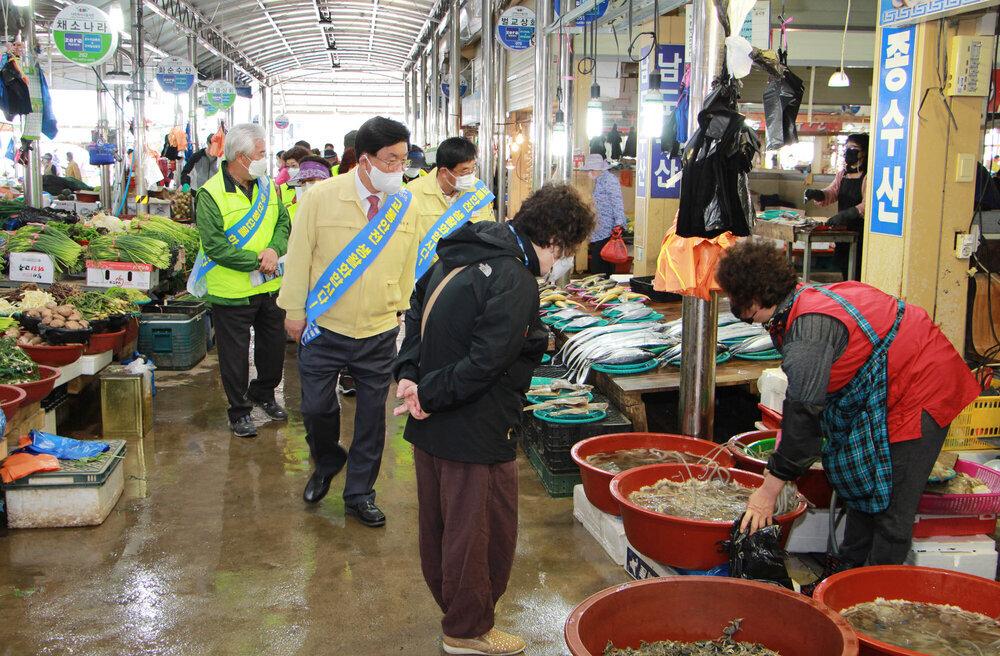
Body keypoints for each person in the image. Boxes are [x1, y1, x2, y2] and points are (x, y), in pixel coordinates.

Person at [393, 183, 595, 656]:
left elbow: (416, 311)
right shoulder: (514, 278)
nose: (562, 262)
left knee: (443, 528)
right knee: (479, 533)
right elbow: (488, 361)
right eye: (566, 252)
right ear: (554, 242)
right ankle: (466, 631)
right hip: (475, 428)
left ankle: (461, 618)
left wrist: (410, 377)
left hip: (434, 423)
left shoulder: (464, 248)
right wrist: (427, 392)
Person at [715, 240, 981, 594]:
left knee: (891, 506)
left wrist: (766, 493)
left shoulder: (808, 332)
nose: (739, 312)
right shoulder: (800, 298)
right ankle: (844, 575)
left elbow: (804, 427)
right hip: (887, 389)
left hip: (922, 389)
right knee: (864, 486)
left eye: (738, 304)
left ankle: (871, 598)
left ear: (755, 298)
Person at [278, 116, 421, 527]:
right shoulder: (321, 197)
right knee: (316, 407)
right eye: (390, 160)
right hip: (325, 326)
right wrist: (293, 311)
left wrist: (399, 305)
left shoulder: (404, 203)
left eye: (403, 160)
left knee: (372, 417)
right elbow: (300, 255)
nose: (398, 169)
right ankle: (326, 461)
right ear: (363, 160)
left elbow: (410, 260)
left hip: (378, 328)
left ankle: (360, 493)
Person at [193, 123, 291, 438]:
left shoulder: (269, 186)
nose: (267, 159)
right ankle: (239, 411)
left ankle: (264, 392)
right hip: (232, 292)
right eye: (261, 153)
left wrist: (274, 251)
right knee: (234, 358)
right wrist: (256, 261)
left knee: (273, 351)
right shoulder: (210, 194)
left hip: (270, 286)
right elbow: (215, 246)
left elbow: (283, 223)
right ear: (241, 156)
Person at [804, 134, 868, 281]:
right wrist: (818, 194)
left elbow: (867, 205)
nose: (848, 151)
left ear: (864, 152)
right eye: (846, 147)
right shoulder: (843, 174)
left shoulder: (867, 176)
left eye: (854, 148)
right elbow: (832, 192)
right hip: (844, 231)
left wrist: (847, 214)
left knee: (857, 271)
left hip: (859, 231)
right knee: (845, 270)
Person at [407, 137, 494, 235]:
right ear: (444, 172)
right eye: (464, 171)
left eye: (473, 168)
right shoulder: (413, 194)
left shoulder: (479, 192)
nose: (470, 175)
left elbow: (491, 233)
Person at [580, 153, 627, 275]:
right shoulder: (600, 181)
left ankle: (603, 288)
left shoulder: (609, 180)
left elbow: (617, 201)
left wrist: (619, 224)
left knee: (602, 264)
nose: (590, 172)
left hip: (608, 230)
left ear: (599, 169)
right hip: (600, 229)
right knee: (600, 263)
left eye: (592, 169)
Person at [284, 155, 332, 222]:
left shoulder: (337, 210)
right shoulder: (289, 213)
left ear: (326, 181)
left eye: (311, 180)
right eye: (303, 182)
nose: (307, 185)